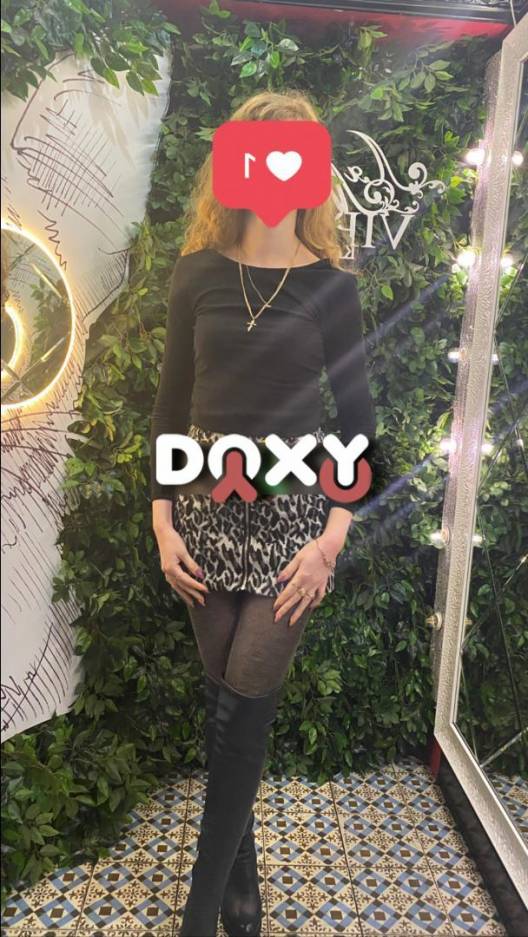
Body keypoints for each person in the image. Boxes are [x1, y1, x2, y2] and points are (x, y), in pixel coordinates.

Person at [150, 89, 376, 937]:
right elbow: (169, 408)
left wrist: (330, 543)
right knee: (226, 710)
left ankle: (199, 914)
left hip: (291, 531)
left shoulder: (332, 287)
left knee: (245, 708)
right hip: (203, 522)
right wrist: (162, 522)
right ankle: (239, 869)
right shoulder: (197, 274)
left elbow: (358, 429)